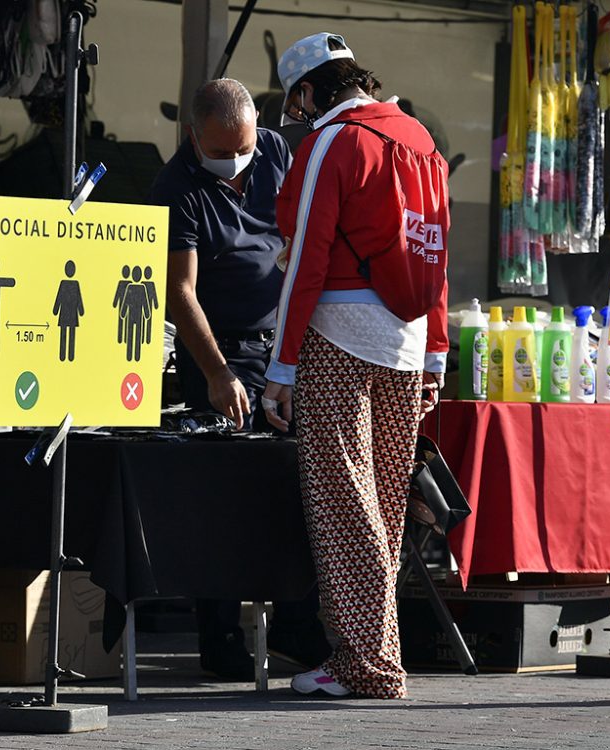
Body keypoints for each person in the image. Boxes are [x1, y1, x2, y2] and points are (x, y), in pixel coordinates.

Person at [261, 32, 449, 699]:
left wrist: (281, 368)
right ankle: (374, 654)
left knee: (345, 501)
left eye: (295, 103)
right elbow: (437, 252)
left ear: (309, 92)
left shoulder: (331, 143)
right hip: (408, 334)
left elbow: (306, 257)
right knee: (384, 504)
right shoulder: (419, 137)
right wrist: (436, 351)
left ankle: (365, 664)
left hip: (338, 334)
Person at [149, 77, 331, 680]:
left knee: (298, 488)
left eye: (244, 149)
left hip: (287, 348)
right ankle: (219, 635)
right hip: (222, 353)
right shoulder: (176, 189)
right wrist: (219, 374)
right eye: (222, 152)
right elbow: (180, 294)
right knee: (224, 501)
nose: (235, 164)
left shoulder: (275, 152)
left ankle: (297, 627)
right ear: (192, 136)